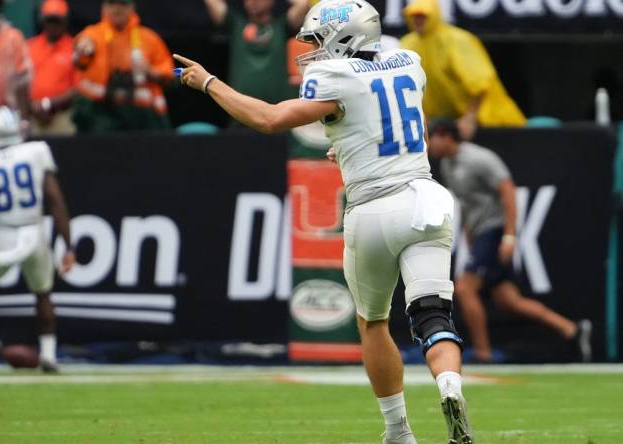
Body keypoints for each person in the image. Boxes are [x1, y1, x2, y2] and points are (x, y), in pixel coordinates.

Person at [176, 1, 473, 442]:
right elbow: (402, 125)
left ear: (344, 37)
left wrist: (209, 83)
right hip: (425, 199)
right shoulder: (409, 63)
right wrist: (353, 145)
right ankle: (449, 383)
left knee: (372, 322)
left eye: (317, 40)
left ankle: (398, 431)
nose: (312, 50)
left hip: (372, 211)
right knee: (432, 315)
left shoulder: (335, 77)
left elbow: (270, 119)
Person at [427, 118, 593, 364]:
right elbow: (466, 205)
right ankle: (572, 330)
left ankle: (483, 353)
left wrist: (509, 235)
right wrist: (469, 239)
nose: (428, 146)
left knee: (464, 288)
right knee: (509, 301)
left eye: (431, 138)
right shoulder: (448, 165)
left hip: (494, 231)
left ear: (444, 134)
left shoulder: (478, 158)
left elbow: (507, 190)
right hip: (480, 235)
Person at [0, 107, 75, 373]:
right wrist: (68, 245)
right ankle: (49, 354)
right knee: (43, 293)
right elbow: (55, 199)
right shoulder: (36, 151)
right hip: (34, 231)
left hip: (3, 232)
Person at [400, 0, 525, 140]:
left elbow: (481, 82)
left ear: (434, 15)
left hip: (489, 121)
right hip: (444, 127)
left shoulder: (458, 39)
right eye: (413, 16)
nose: (417, 20)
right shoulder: (407, 43)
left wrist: (470, 117)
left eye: (422, 16)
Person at [72, 0, 175, 133]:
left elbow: (169, 75)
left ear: (132, 7)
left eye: (122, 4)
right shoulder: (93, 34)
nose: (117, 9)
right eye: (112, 3)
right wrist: (83, 48)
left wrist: (150, 71)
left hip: (141, 115)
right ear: (104, 6)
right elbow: (81, 54)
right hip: (101, 114)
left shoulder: (149, 38)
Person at [204, 0, 309, 105]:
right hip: (240, 107)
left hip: (277, 109)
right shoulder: (236, 23)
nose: (253, 2)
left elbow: (303, 4)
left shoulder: (281, 25)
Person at [27, 0, 77, 136]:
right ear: (43, 21)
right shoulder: (29, 47)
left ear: (65, 22)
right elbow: (19, 82)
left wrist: (48, 104)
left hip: (61, 116)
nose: (53, 25)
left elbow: (78, 87)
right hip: (32, 115)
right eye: (50, 20)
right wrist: (32, 107)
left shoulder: (74, 48)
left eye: (57, 21)